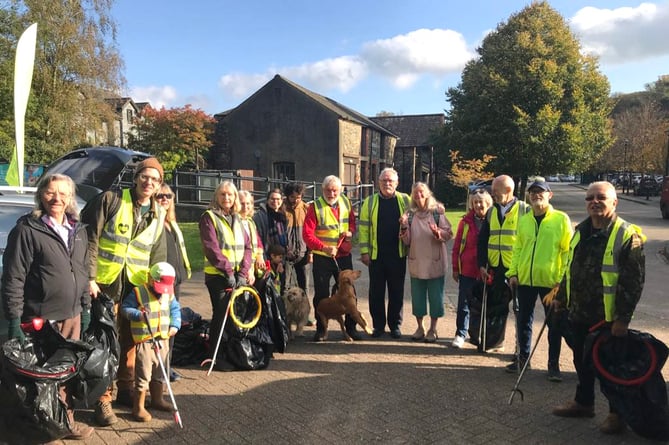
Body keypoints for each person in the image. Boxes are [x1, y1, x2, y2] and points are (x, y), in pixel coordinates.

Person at [1, 173, 94, 440]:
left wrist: (85, 308)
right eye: (51, 192)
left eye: (63, 193)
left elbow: (84, 271)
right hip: (42, 319)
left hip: (73, 314)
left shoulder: (79, 231)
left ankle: (64, 423)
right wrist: (14, 319)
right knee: (41, 379)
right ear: (41, 194)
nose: (57, 198)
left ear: (70, 198)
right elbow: (14, 277)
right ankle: (39, 429)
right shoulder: (27, 230)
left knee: (66, 376)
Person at [551, 181, 645, 435]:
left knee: (611, 368)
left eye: (601, 197)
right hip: (579, 312)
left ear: (614, 202)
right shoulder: (581, 230)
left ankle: (617, 414)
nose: (594, 201)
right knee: (582, 361)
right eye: (589, 197)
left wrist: (622, 319)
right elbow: (570, 267)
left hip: (608, 318)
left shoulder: (626, 235)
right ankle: (584, 403)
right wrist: (561, 296)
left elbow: (633, 281)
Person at [81, 157, 167, 426]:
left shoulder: (158, 213)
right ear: (136, 177)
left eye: (154, 179)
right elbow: (90, 238)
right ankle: (102, 400)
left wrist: (159, 288)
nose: (148, 182)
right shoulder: (111, 200)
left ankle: (126, 390)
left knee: (132, 341)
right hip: (105, 285)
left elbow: (157, 255)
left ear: (159, 184)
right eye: (145, 176)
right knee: (105, 343)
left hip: (137, 287)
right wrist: (90, 277)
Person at [505, 180, 572, 379]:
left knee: (554, 324)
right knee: (523, 320)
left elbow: (568, 251)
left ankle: (553, 365)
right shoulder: (524, 220)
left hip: (551, 282)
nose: (536, 195)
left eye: (540, 192)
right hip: (525, 279)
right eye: (532, 192)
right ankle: (523, 359)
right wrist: (513, 272)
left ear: (549, 195)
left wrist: (562, 279)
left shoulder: (560, 219)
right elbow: (518, 248)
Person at [121, 262, 181, 422]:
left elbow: (175, 309)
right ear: (150, 278)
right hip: (146, 341)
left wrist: (175, 324)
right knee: (144, 373)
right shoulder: (139, 292)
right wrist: (137, 315)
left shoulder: (169, 293)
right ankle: (138, 407)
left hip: (163, 339)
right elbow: (125, 308)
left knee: (160, 371)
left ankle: (157, 399)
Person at [199, 180, 253, 358]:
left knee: (234, 315)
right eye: (223, 194)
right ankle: (215, 355)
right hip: (218, 276)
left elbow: (247, 246)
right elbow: (211, 248)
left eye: (230, 194)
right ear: (216, 196)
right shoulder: (209, 217)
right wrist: (228, 272)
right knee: (221, 314)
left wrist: (243, 272)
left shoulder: (238, 219)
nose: (226, 198)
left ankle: (231, 353)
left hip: (237, 275)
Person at [477, 174, 529, 352]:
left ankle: (521, 348)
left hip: (516, 268)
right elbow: (483, 239)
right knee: (496, 307)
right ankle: (494, 342)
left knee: (520, 311)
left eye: (496, 191)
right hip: (495, 267)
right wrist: (482, 264)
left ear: (508, 190)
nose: (493, 194)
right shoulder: (492, 211)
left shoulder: (525, 210)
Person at [303, 175, 359, 341]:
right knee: (321, 294)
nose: (332, 193)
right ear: (323, 190)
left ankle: (351, 328)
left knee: (350, 293)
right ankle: (321, 330)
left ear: (340, 190)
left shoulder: (346, 203)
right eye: (328, 190)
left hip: (343, 255)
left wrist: (350, 232)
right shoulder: (315, 207)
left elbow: (352, 224)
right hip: (323, 257)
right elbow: (307, 234)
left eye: (335, 190)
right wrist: (323, 247)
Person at [359, 168, 411, 339]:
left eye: (390, 181)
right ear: (378, 183)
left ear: (396, 183)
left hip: (397, 255)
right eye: (384, 181)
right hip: (376, 256)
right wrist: (364, 252)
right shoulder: (370, 201)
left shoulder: (405, 199)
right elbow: (364, 228)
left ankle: (395, 325)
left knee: (397, 292)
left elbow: (423, 211)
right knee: (376, 293)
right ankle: (378, 326)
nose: (387, 184)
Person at [399, 182, 452, 343]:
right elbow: (406, 241)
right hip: (417, 262)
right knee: (418, 298)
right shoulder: (410, 215)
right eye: (415, 193)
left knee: (436, 298)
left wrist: (438, 232)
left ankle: (433, 328)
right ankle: (420, 327)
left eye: (421, 193)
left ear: (428, 194)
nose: (418, 196)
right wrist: (402, 227)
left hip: (435, 262)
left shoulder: (437, 213)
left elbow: (449, 233)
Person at [156, 183, 191, 382]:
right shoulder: (154, 222)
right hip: (160, 282)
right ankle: (159, 370)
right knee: (160, 325)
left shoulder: (172, 222)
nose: (165, 200)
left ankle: (167, 365)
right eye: (160, 196)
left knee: (172, 324)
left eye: (168, 196)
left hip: (175, 281)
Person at [450, 186, 493, 348]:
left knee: (484, 305)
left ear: (488, 203)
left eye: (481, 202)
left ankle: (478, 335)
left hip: (487, 270)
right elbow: (456, 246)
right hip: (467, 269)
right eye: (475, 202)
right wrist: (455, 267)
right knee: (464, 304)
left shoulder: (493, 221)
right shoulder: (465, 222)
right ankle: (461, 333)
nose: (478, 206)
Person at [282, 182, 310, 292]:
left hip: (303, 254)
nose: (295, 200)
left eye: (298, 197)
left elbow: (311, 232)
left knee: (304, 287)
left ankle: (305, 309)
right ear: (287, 196)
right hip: (286, 255)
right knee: (284, 286)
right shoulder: (282, 208)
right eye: (292, 197)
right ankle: (285, 309)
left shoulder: (306, 209)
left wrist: (310, 252)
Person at [239, 190, 266, 281]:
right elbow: (242, 248)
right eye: (242, 203)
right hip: (242, 268)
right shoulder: (235, 222)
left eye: (248, 203)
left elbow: (257, 241)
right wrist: (248, 271)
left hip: (252, 265)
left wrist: (260, 256)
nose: (245, 207)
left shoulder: (249, 221)